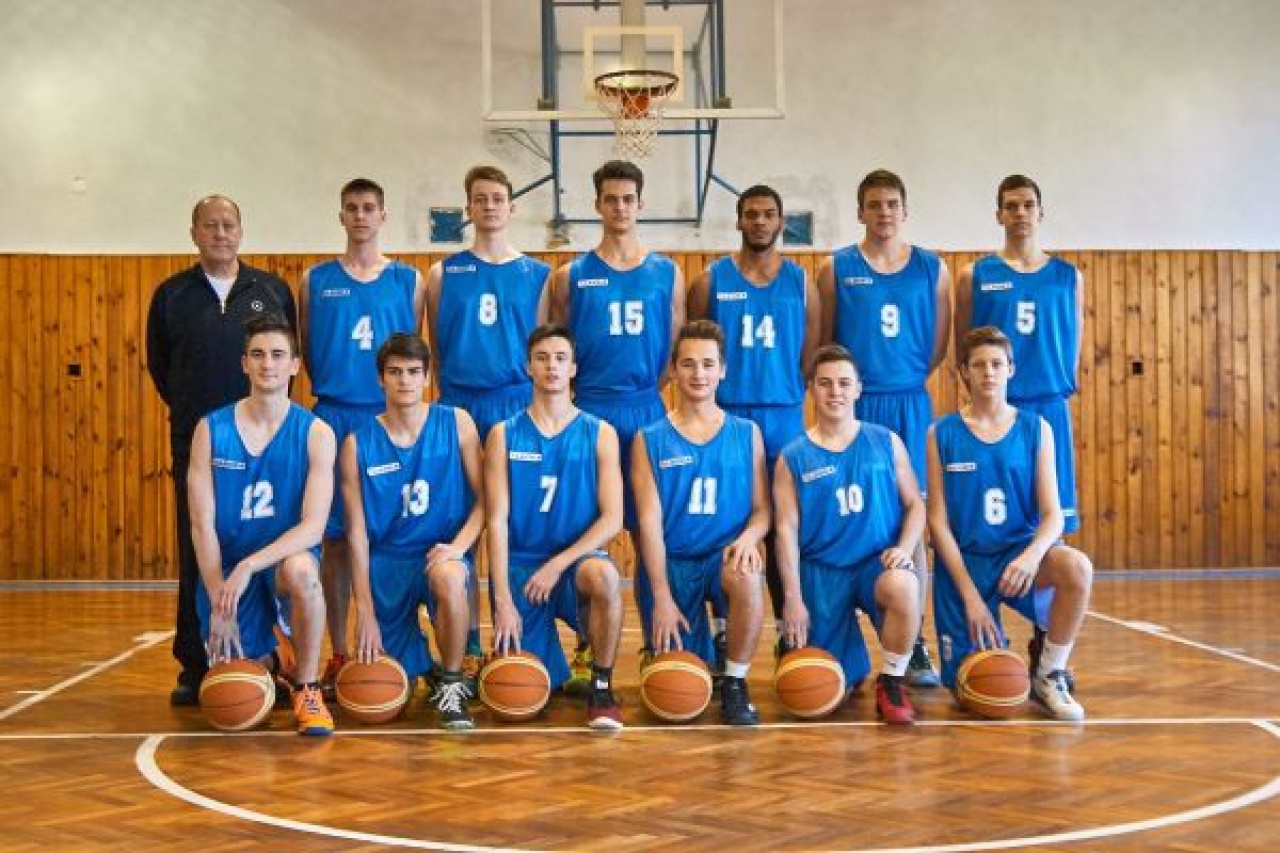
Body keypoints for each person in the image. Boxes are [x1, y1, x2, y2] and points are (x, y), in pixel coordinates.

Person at [146, 194, 297, 706]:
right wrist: (200, 417)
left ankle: (276, 656)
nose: (220, 233)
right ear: (194, 233)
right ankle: (197, 660)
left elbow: (285, 362)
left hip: (267, 444)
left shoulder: (271, 291)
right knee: (199, 548)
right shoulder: (172, 295)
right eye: (210, 225)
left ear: (241, 231)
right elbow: (162, 369)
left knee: (271, 548)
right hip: (199, 442)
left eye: (228, 224)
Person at [548, 159, 685, 691]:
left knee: (653, 532)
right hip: (589, 411)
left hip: (647, 409)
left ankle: (658, 642)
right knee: (588, 534)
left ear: (640, 204)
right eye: (611, 199)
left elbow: (674, 351)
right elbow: (559, 346)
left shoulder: (667, 273)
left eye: (628, 199)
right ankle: (588, 648)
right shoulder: (572, 276)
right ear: (597, 205)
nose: (620, 207)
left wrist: (649, 391)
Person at [816, 168, 950, 688]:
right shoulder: (837, 268)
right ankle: (838, 623)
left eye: (892, 203)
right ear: (860, 212)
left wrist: (904, 378)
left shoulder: (931, 268)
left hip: (908, 400)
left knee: (912, 514)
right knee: (845, 508)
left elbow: (938, 346)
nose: (884, 212)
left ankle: (914, 644)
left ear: (905, 209)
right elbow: (826, 341)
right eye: (874, 204)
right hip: (854, 402)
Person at [926, 326, 1092, 721]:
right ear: (964, 372)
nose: (989, 373)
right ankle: (988, 643)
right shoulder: (941, 433)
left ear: (1011, 370)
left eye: (997, 364)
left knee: (1076, 567)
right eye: (979, 365)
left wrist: (1031, 557)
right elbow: (938, 524)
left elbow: (1053, 516)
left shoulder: (1037, 429)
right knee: (978, 688)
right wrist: (970, 596)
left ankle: (1049, 673)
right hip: (966, 563)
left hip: (1018, 557)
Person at [426, 165, 551, 681]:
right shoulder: (443, 274)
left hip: (515, 403)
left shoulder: (538, 274)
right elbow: (435, 347)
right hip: (459, 405)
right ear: (469, 209)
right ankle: (470, 644)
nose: (490, 206)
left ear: (512, 207)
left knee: (511, 524)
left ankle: (514, 637)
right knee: (465, 524)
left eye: (498, 198)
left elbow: (543, 346)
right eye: (480, 199)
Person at [300, 178, 424, 694]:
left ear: (383, 216)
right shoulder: (315, 280)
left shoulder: (409, 280)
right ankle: (337, 650)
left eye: (369, 207)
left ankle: (395, 642)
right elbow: (309, 351)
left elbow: (412, 351)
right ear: (341, 216)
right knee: (333, 541)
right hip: (334, 415)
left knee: (392, 536)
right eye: (351, 207)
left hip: (388, 420)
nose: (360, 216)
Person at [687, 184, 819, 665]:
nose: (760, 222)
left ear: (781, 222)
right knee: (725, 524)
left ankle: (789, 630)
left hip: (783, 417)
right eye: (751, 214)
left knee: (785, 528)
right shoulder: (710, 281)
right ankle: (723, 631)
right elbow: (696, 346)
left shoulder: (802, 284)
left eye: (768, 214)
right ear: (739, 221)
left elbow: (811, 354)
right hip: (728, 418)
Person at [188, 315, 337, 736]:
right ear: (244, 363)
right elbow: (201, 525)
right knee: (237, 687)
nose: (267, 364)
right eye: (257, 355)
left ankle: (307, 687)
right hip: (228, 569)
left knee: (304, 570)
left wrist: (250, 565)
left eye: (277, 354)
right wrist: (219, 599)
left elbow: (313, 529)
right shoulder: (210, 430)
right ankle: (275, 656)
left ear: (294, 365)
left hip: (277, 565)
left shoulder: (316, 432)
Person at [773, 345, 925, 724]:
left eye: (844, 383)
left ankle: (892, 679)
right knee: (824, 688)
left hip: (875, 563)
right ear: (811, 389)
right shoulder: (793, 457)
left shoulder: (885, 441)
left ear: (858, 388)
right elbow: (785, 532)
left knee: (903, 584)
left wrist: (905, 549)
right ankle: (853, 663)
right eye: (825, 383)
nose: (835, 392)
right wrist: (792, 599)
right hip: (822, 571)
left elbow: (916, 505)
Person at [484, 324, 626, 730]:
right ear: (528, 367)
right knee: (523, 694)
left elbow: (613, 518)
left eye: (561, 358)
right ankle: (545, 658)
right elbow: (495, 521)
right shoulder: (503, 435)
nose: (552, 366)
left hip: (575, 564)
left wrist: (558, 564)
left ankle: (602, 684)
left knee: (604, 576)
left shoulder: (600, 433)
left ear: (574, 368)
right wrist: (502, 600)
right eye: (542, 358)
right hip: (521, 568)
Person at [339, 334, 484, 730]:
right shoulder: (357, 445)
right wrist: (364, 611)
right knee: (387, 692)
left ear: (427, 377)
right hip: (386, 564)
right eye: (395, 372)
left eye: (413, 372)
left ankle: (452, 682)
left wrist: (459, 547)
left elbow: (488, 500)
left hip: (439, 552)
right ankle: (425, 665)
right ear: (380, 378)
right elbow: (356, 535)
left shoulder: (457, 423)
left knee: (450, 577)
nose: (404, 380)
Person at [632, 320, 770, 726]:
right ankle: (678, 646)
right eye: (688, 364)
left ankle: (736, 682)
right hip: (673, 562)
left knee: (747, 576)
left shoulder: (747, 433)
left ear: (723, 370)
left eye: (708, 364)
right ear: (673, 371)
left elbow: (763, 510)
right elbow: (648, 526)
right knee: (679, 690)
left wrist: (749, 538)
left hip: (722, 557)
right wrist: (661, 597)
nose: (699, 374)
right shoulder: (649, 438)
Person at [955, 174, 1084, 540]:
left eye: (1028, 206)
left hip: (1049, 404)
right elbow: (963, 347)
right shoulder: (975, 275)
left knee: (1052, 520)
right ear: (999, 215)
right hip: (998, 408)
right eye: (1011, 207)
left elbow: (1073, 345)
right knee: (996, 515)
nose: (1020, 213)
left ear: (1041, 213)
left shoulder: (1068, 277)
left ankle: (1047, 578)